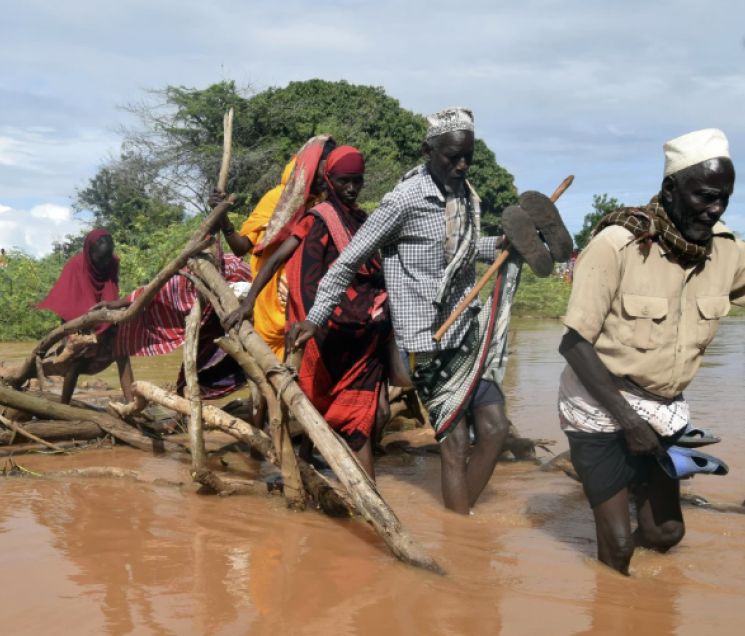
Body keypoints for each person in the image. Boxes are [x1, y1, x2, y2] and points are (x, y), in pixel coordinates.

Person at [557, 129, 745, 575]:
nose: (716, 209)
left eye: (724, 199)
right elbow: (574, 343)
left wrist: (644, 422)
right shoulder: (617, 244)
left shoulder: (727, 252)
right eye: (706, 197)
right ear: (670, 188)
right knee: (618, 546)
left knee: (664, 534)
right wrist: (629, 422)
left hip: (662, 408)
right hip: (597, 401)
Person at [291, 108, 523, 513]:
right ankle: (461, 537)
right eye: (453, 156)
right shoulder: (403, 201)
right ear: (428, 151)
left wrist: (501, 246)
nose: (462, 164)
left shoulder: (464, 196)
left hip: (466, 333)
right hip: (426, 344)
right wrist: (315, 317)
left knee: (496, 430)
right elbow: (347, 261)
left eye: (468, 156)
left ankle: (463, 527)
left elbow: (463, 253)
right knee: (453, 444)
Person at [223, 147, 390, 478]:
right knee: (325, 406)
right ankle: (322, 475)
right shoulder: (318, 218)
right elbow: (274, 259)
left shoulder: (362, 219)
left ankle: (358, 494)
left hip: (365, 334)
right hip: (325, 329)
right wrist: (247, 302)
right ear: (330, 180)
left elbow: (377, 269)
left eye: (358, 182)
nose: (352, 189)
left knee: (364, 415)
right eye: (345, 181)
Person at [211, 135, 336, 360]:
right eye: (324, 168)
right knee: (269, 369)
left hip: (305, 301)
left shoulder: (324, 204)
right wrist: (223, 217)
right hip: (270, 300)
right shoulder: (277, 199)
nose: (328, 176)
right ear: (310, 166)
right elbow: (241, 247)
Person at [94, 253, 252, 400]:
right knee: (190, 377)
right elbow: (148, 292)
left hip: (238, 321)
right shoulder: (181, 283)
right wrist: (113, 304)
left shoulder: (234, 270)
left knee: (245, 367)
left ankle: (183, 414)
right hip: (210, 323)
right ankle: (182, 415)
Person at [37, 229, 134, 404]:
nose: (105, 262)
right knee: (75, 362)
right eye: (100, 258)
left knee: (122, 353)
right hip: (81, 323)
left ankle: (132, 404)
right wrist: (67, 340)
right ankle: (63, 405)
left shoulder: (112, 263)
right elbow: (66, 303)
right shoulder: (74, 266)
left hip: (106, 318)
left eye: (108, 257)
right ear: (89, 252)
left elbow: (111, 292)